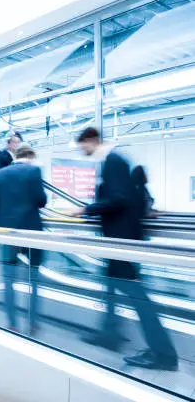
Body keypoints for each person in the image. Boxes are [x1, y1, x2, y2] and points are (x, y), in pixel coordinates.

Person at [71, 127, 177, 370]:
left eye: (82, 146)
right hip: (118, 237)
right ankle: (110, 335)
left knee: (137, 295)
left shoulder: (113, 161)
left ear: (91, 140)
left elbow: (119, 199)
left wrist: (87, 209)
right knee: (111, 285)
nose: (82, 151)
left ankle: (164, 354)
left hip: (122, 239)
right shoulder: (115, 161)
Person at [0, 145, 46, 333]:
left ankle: (12, 323)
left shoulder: (0, 174)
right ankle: (32, 322)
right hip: (31, 233)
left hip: (7, 234)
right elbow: (42, 200)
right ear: (30, 156)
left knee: (8, 279)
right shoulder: (34, 171)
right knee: (34, 278)